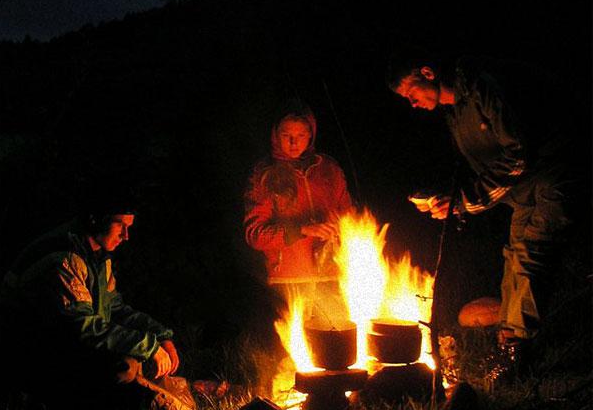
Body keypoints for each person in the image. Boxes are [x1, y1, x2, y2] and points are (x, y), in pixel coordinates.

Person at [386, 50, 589, 358]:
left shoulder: (484, 87)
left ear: (427, 73)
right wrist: (451, 200)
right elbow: (485, 166)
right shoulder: (455, 111)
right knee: (516, 257)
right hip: (525, 192)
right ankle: (510, 344)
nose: (412, 103)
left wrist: (465, 202)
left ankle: (517, 352)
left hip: (554, 176)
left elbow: (517, 155)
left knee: (532, 254)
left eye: (411, 93)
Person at [0, 197, 180, 410]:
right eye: (120, 225)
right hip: (27, 351)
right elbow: (83, 327)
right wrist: (148, 347)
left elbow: (116, 309)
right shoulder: (66, 258)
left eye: (129, 227)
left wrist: (160, 336)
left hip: (62, 343)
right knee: (124, 366)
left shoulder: (97, 256)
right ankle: (55, 409)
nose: (126, 236)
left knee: (134, 361)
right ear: (95, 220)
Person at [244, 103, 354, 321]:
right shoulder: (265, 174)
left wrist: (341, 232)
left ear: (311, 135)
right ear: (276, 135)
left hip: (332, 276)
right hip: (289, 281)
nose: (294, 142)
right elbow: (255, 235)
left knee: (336, 345)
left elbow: (350, 219)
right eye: (287, 135)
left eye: (301, 135)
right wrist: (302, 229)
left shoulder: (329, 169)